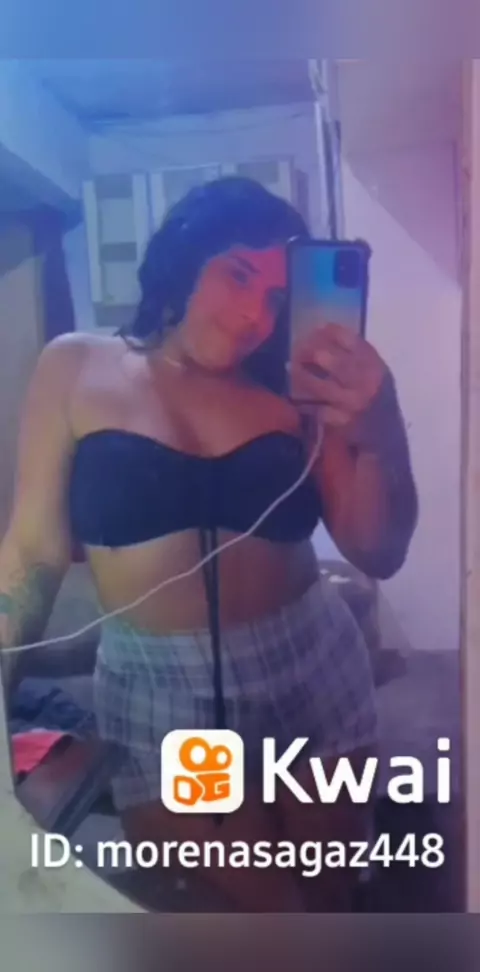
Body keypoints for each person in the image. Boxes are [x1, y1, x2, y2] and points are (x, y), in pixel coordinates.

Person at [0, 177, 417, 912]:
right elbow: (33, 547)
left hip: (312, 663)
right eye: (239, 274)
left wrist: (382, 429)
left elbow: (377, 552)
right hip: (164, 697)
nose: (256, 314)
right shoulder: (75, 366)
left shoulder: (294, 389)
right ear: (186, 256)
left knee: (330, 901)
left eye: (277, 296)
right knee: (274, 922)